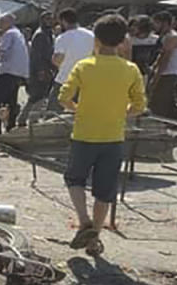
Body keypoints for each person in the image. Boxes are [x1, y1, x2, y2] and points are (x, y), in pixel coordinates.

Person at [59, 14, 146, 256]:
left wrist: (79, 110)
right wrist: (121, 113)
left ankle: (84, 221)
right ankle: (94, 238)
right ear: (122, 42)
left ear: (95, 40)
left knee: (74, 179)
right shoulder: (131, 69)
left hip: (84, 134)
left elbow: (63, 97)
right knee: (105, 191)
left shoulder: (84, 66)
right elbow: (139, 106)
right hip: (113, 138)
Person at [49, 8, 94, 112]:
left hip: (66, 78)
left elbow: (58, 59)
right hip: (86, 78)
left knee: (53, 110)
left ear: (63, 21)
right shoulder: (91, 35)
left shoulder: (63, 38)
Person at [19, 12, 55, 126]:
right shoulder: (40, 34)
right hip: (40, 70)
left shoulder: (48, 33)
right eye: (47, 19)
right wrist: (41, 70)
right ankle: (27, 120)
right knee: (37, 96)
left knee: (40, 95)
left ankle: (24, 119)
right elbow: (37, 55)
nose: (50, 21)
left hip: (46, 68)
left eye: (51, 19)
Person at [0, 14, 29, 131]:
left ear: (9, 22)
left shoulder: (9, 34)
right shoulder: (18, 34)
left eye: (2, 22)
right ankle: (11, 126)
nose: (0, 25)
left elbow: (1, 51)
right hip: (18, 73)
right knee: (11, 101)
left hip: (8, 71)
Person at [150, 11, 177, 119]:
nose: (154, 26)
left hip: (169, 73)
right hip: (167, 72)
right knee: (170, 103)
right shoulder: (165, 37)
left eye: (156, 23)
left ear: (164, 23)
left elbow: (165, 59)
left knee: (159, 103)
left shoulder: (172, 37)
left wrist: (157, 76)